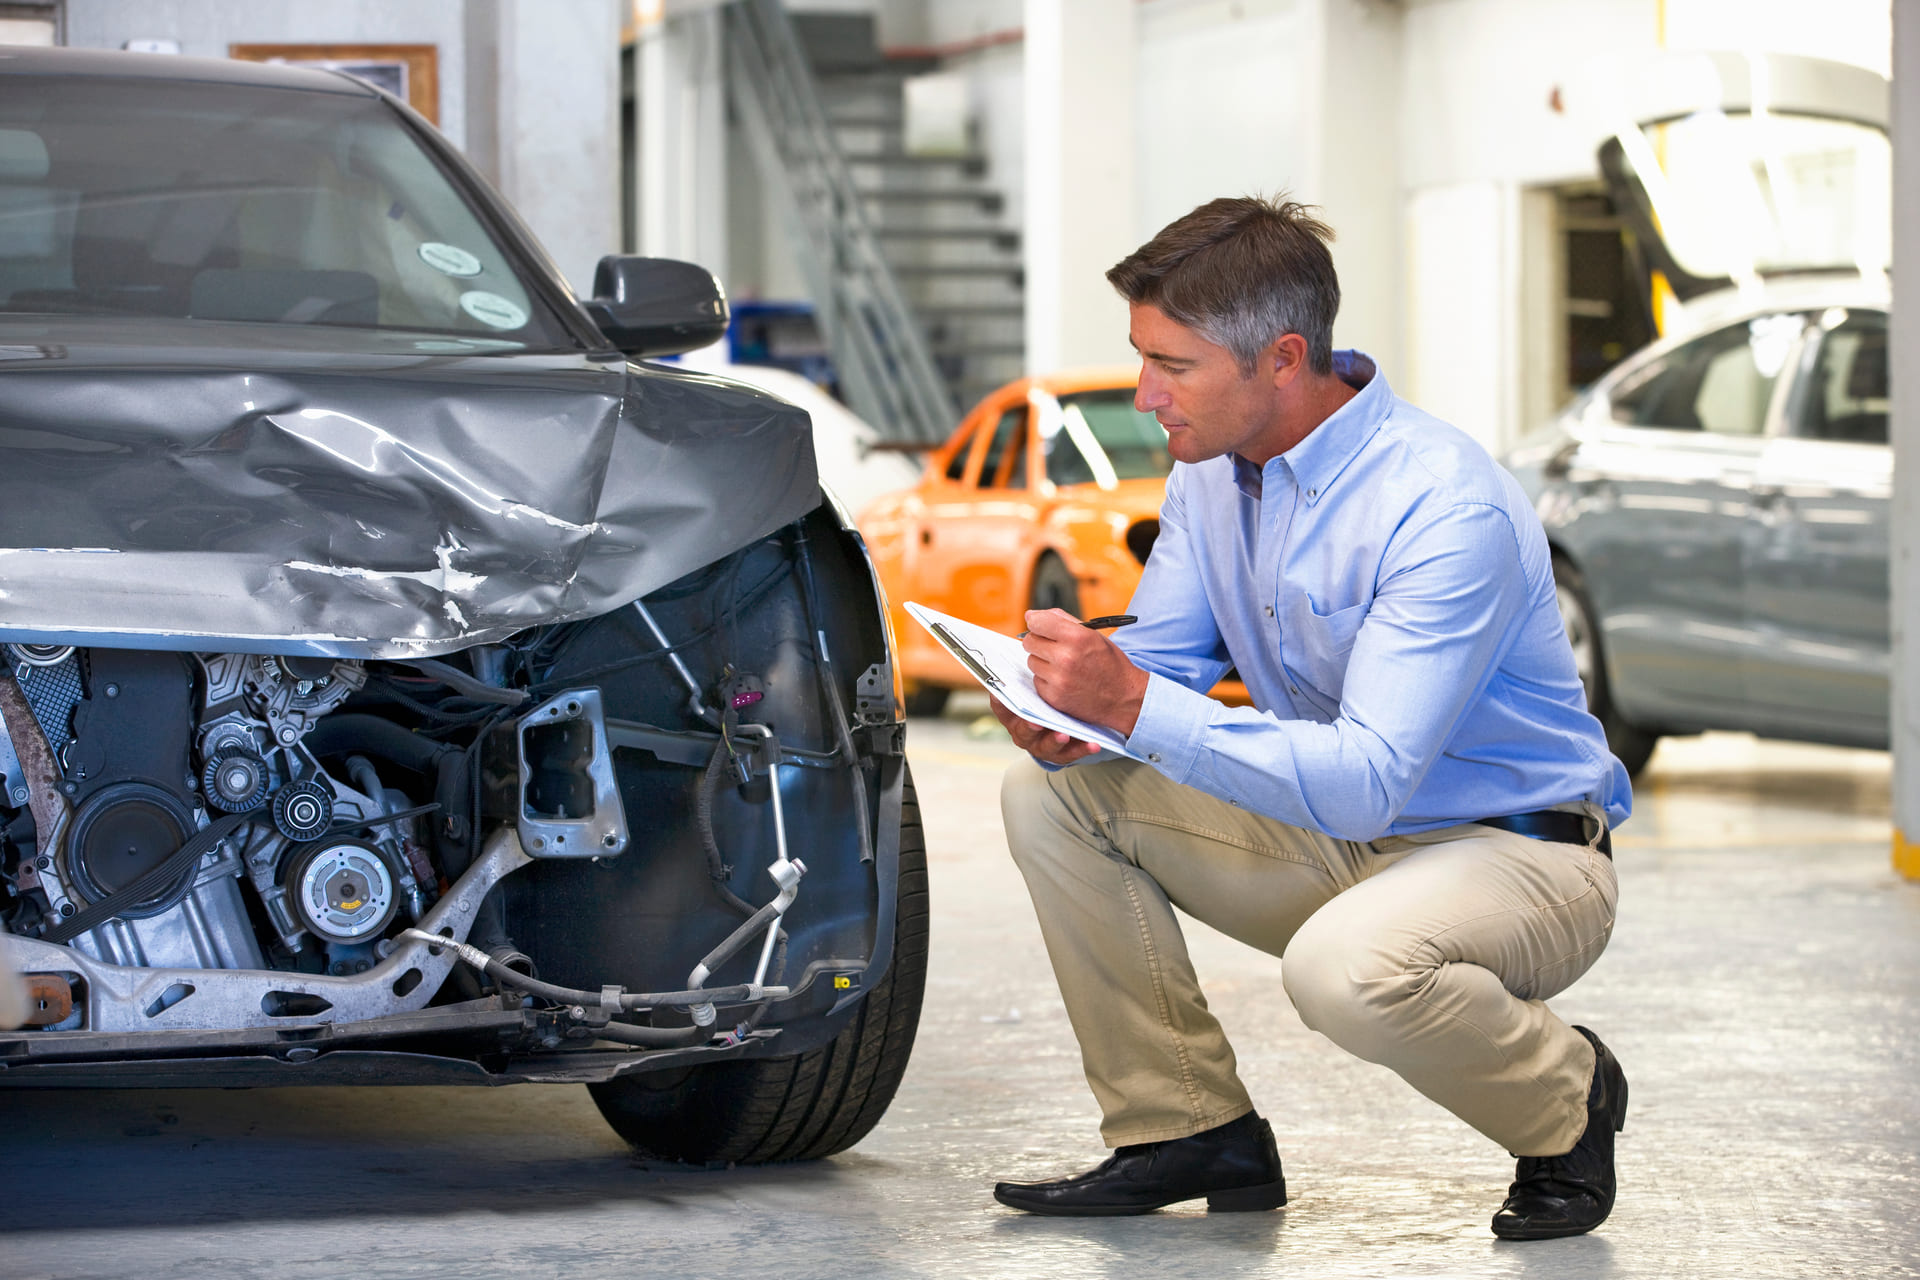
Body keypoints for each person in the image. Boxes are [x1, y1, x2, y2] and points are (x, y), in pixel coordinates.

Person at [989, 195, 1632, 1240]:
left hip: (1520, 853)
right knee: (1054, 793)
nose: (1147, 393)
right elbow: (1155, 660)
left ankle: (1569, 1093)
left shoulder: (1442, 504)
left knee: (1343, 971)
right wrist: (1071, 707)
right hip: (1342, 839)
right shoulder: (1210, 474)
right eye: (1142, 356)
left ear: (1281, 359)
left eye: (1175, 365)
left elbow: (1367, 774)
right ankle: (1188, 1125)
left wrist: (1136, 703)